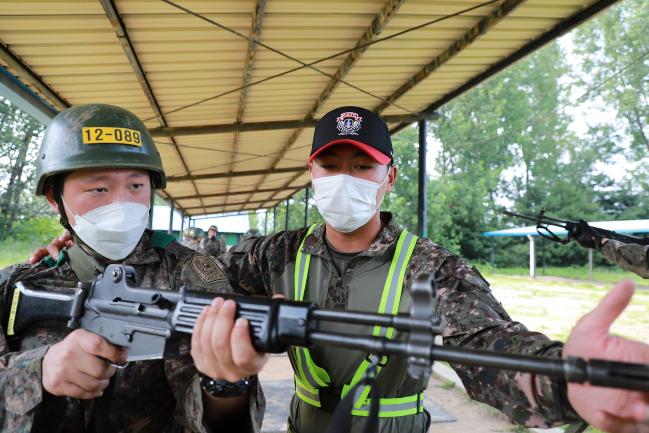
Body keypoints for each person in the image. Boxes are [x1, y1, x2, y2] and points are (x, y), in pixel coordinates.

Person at [33, 106, 649, 433]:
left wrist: (568, 380)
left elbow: (489, 351)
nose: (346, 181)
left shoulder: (433, 269)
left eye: (363, 167)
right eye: (332, 166)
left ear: (388, 178)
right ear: (312, 173)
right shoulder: (273, 255)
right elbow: (185, 272)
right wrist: (78, 251)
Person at [1, 104, 265, 432]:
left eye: (136, 186)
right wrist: (38, 371)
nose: (122, 203)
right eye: (99, 189)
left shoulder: (188, 276)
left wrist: (226, 387)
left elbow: (215, 419)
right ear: (55, 199)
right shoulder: (15, 286)